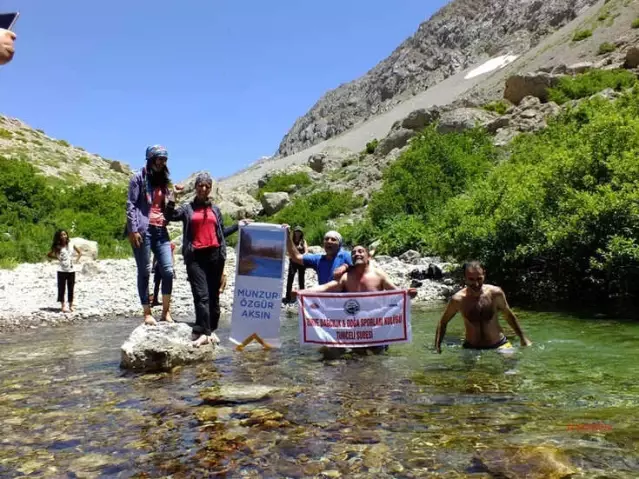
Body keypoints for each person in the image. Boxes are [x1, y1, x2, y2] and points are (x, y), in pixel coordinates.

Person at [166, 172, 251, 347]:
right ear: (196, 187)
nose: (203, 189)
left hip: (215, 257)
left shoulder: (215, 210)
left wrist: (238, 225)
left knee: (214, 297)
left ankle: (209, 329)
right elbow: (170, 216)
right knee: (201, 295)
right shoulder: (188, 209)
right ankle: (204, 333)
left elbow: (221, 233)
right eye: (200, 185)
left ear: (210, 188)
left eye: (207, 186)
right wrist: (173, 196)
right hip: (195, 257)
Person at [296, 245, 417, 355]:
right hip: (355, 329)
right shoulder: (347, 277)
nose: (357, 254)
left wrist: (408, 293)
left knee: (377, 360)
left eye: (361, 251)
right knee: (357, 358)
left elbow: (396, 292)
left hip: (377, 327)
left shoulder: (379, 275)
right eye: (353, 253)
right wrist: (302, 292)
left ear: (368, 256)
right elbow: (326, 287)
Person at [434, 261, 532, 353]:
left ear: (484, 275)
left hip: (499, 344)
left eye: (479, 279)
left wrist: (523, 338)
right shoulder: (458, 300)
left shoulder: (495, 293)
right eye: (471, 280)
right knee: (467, 371)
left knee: (512, 369)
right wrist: (437, 346)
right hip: (471, 347)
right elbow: (443, 322)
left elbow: (508, 315)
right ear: (464, 278)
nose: (476, 284)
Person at [126, 145, 175, 326]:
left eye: (164, 160)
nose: (162, 163)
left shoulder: (164, 182)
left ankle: (165, 312)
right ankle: (147, 312)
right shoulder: (138, 178)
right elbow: (131, 204)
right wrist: (133, 229)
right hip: (142, 229)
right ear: (151, 159)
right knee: (145, 270)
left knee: (168, 271)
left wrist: (174, 198)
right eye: (159, 159)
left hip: (161, 229)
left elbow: (167, 209)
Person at [285, 227, 351, 286]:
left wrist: (345, 266)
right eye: (326, 239)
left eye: (333, 239)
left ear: (339, 245)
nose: (329, 241)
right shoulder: (318, 259)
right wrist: (287, 236)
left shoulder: (345, 256)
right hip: (324, 297)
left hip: (344, 298)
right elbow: (296, 257)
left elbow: (359, 266)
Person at [47, 230, 82, 313]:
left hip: (71, 269)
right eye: (61, 235)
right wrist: (58, 258)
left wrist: (76, 261)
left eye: (65, 234)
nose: (63, 236)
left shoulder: (71, 243)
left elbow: (80, 253)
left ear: (67, 235)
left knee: (71, 288)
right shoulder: (57, 246)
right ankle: (62, 306)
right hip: (61, 270)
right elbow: (49, 255)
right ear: (59, 237)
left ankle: (70, 305)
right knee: (61, 288)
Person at [284, 226, 308, 303]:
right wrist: (292, 256)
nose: (298, 233)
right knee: (290, 279)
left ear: (301, 233)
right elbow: (287, 251)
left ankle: (302, 297)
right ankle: (288, 296)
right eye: (296, 231)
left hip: (301, 262)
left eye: (299, 232)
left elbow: (306, 251)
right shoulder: (291, 241)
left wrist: (301, 256)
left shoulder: (303, 241)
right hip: (292, 262)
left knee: (301, 279)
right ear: (294, 232)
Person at [150, 241, 176, 307]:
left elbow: (155, 256)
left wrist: (153, 267)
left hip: (159, 265)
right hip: (165, 266)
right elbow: (172, 256)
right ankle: (164, 301)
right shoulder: (171, 245)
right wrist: (172, 267)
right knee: (165, 284)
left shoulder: (158, 244)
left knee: (157, 284)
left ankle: (155, 300)